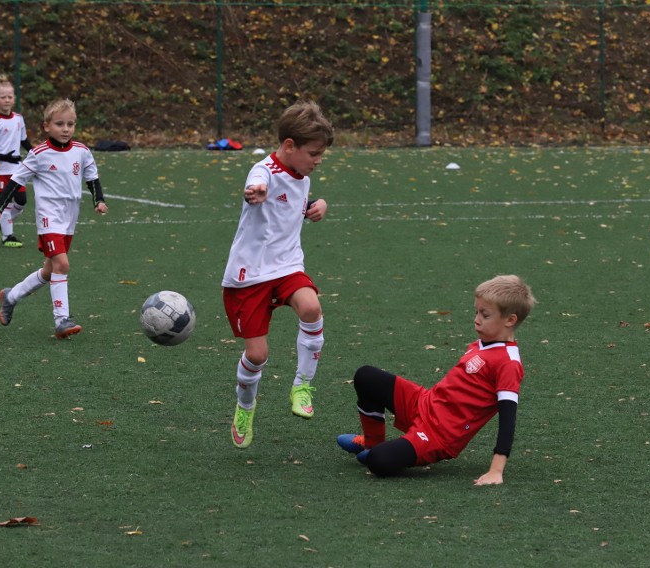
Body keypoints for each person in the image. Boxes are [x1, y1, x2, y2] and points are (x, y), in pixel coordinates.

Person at [337, 275, 536, 485]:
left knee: (379, 461)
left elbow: (508, 419)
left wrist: (496, 470)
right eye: (476, 311)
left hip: (438, 435)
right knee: (366, 376)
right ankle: (371, 443)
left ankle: (379, 451)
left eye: (485, 315)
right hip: (424, 402)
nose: (476, 319)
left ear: (510, 320)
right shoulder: (484, 342)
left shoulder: (509, 363)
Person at [221, 100, 334, 448]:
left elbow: (294, 200)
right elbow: (260, 183)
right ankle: (245, 406)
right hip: (249, 275)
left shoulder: (301, 176)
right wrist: (255, 192)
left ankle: (302, 385)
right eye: (313, 153)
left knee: (312, 308)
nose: (318, 160)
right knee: (257, 356)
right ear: (289, 146)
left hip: (286, 267)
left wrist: (317, 206)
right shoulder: (263, 171)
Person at [0, 98, 108, 339]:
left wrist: (98, 201)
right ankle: (62, 320)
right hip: (48, 219)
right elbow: (16, 180)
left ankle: (11, 296)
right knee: (62, 264)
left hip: (69, 220)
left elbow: (92, 178)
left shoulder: (82, 151)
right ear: (46, 126)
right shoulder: (39, 154)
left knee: (50, 271)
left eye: (70, 124)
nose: (65, 129)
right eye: (60, 124)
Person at [0, 76, 33, 247]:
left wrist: (35, 153)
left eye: (10, 96)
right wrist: (7, 157)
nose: (7, 100)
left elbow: (24, 140)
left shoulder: (18, 118)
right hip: (0, 169)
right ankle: (7, 237)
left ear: (14, 98)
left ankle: (4, 220)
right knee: (7, 201)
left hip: (16, 167)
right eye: (3, 97)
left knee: (21, 200)